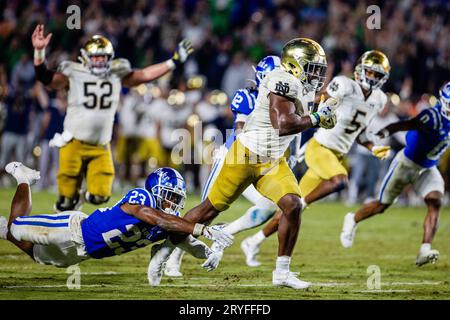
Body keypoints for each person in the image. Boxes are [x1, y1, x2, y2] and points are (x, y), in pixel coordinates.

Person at [149, 38, 338, 290]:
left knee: (292, 205)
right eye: (312, 67)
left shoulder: (303, 85)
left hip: (273, 161)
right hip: (246, 155)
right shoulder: (280, 80)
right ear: (295, 65)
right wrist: (316, 117)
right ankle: (165, 249)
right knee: (208, 210)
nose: (317, 74)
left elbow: (302, 119)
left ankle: (282, 272)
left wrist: (323, 115)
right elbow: (282, 124)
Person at [240, 50, 393, 265]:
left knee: (292, 208)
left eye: (378, 75)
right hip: (319, 148)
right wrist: (328, 103)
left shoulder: (379, 99)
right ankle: (323, 209)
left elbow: (360, 131)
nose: (373, 78)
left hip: (336, 155)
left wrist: (372, 147)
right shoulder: (345, 84)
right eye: (370, 72)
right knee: (340, 180)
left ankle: (253, 241)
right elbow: (323, 102)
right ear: (360, 70)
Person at [31, 24, 194, 212]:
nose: (100, 60)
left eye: (103, 56)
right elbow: (45, 78)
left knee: (100, 196)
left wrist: (173, 61)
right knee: (65, 200)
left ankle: (80, 199)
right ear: (85, 57)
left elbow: (145, 75)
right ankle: (61, 220)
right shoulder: (73, 73)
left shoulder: (116, 73)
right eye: (95, 56)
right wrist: (39, 52)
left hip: (101, 144)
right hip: (74, 141)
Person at [0, 163, 233, 282]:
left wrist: (209, 253)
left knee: (36, 254)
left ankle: (2, 230)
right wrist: (202, 228)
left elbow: (186, 242)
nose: (173, 203)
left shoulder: (167, 224)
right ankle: (23, 178)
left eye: (176, 199)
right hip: (73, 230)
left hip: (84, 253)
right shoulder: (143, 197)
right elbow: (153, 216)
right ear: (156, 190)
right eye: (170, 196)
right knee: (17, 227)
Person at [163, 56, 282, 276]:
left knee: (268, 206)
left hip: (257, 163)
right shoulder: (247, 97)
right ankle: (170, 253)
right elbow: (240, 129)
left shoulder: (281, 102)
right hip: (233, 158)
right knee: (206, 212)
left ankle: (224, 233)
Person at [340, 81, 450, 266]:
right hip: (406, 164)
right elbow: (405, 125)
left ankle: (424, 249)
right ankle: (353, 219)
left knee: (435, 201)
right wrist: (383, 133)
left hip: (428, 167)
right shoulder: (432, 116)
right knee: (382, 205)